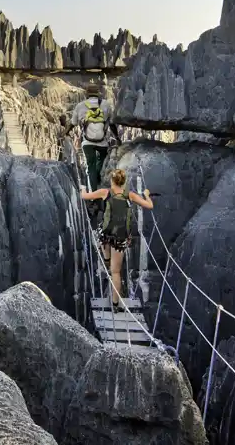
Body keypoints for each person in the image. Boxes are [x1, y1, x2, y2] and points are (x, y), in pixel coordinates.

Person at [81, 169, 153, 311]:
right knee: (116, 272)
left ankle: (106, 258)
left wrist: (82, 188)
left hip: (107, 233)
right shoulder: (130, 195)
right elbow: (149, 206)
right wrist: (146, 195)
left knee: (100, 232)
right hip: (121, 237)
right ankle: (115, 304)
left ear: (112, 181)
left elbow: (84, 196)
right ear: (124, 182)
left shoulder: (105, 192)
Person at [65, 84, 118, 190]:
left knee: (91, 167)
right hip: (103, 142)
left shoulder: (80, 106)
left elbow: (73, 123)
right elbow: (112, 123)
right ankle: (99, 180)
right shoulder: (106, 104)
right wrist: (117, 137)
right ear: (98, 94)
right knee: (102, 163)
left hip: (87, 143)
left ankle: (94, 193)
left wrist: (66, 132)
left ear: (86, 94)